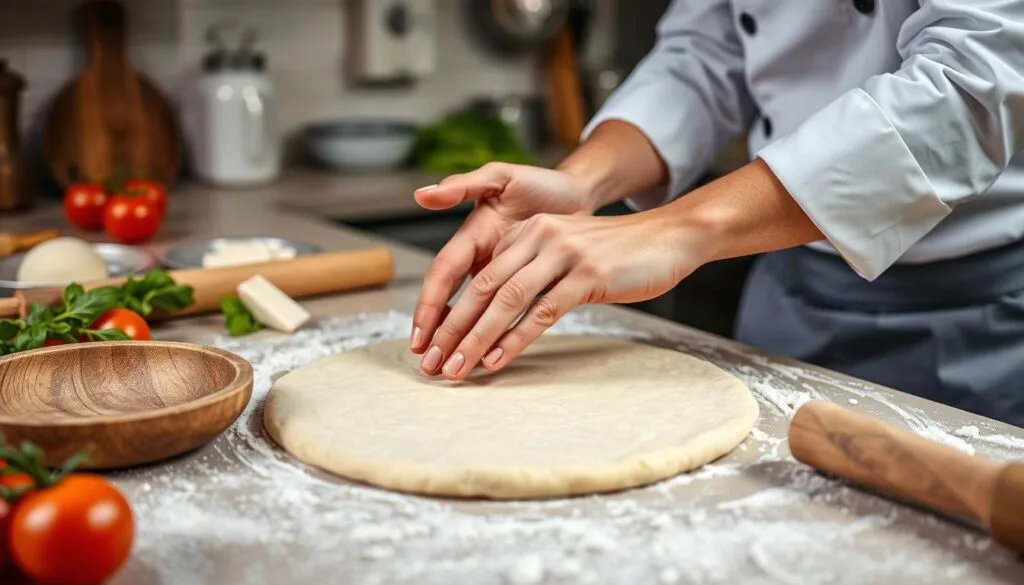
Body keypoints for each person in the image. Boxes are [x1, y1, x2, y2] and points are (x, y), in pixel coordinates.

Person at [407, 1, 1024, 428]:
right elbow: (705, 55)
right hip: (788, 302)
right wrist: (581, 180)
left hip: (978, 320)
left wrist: (679, 229)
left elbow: (970, 86)